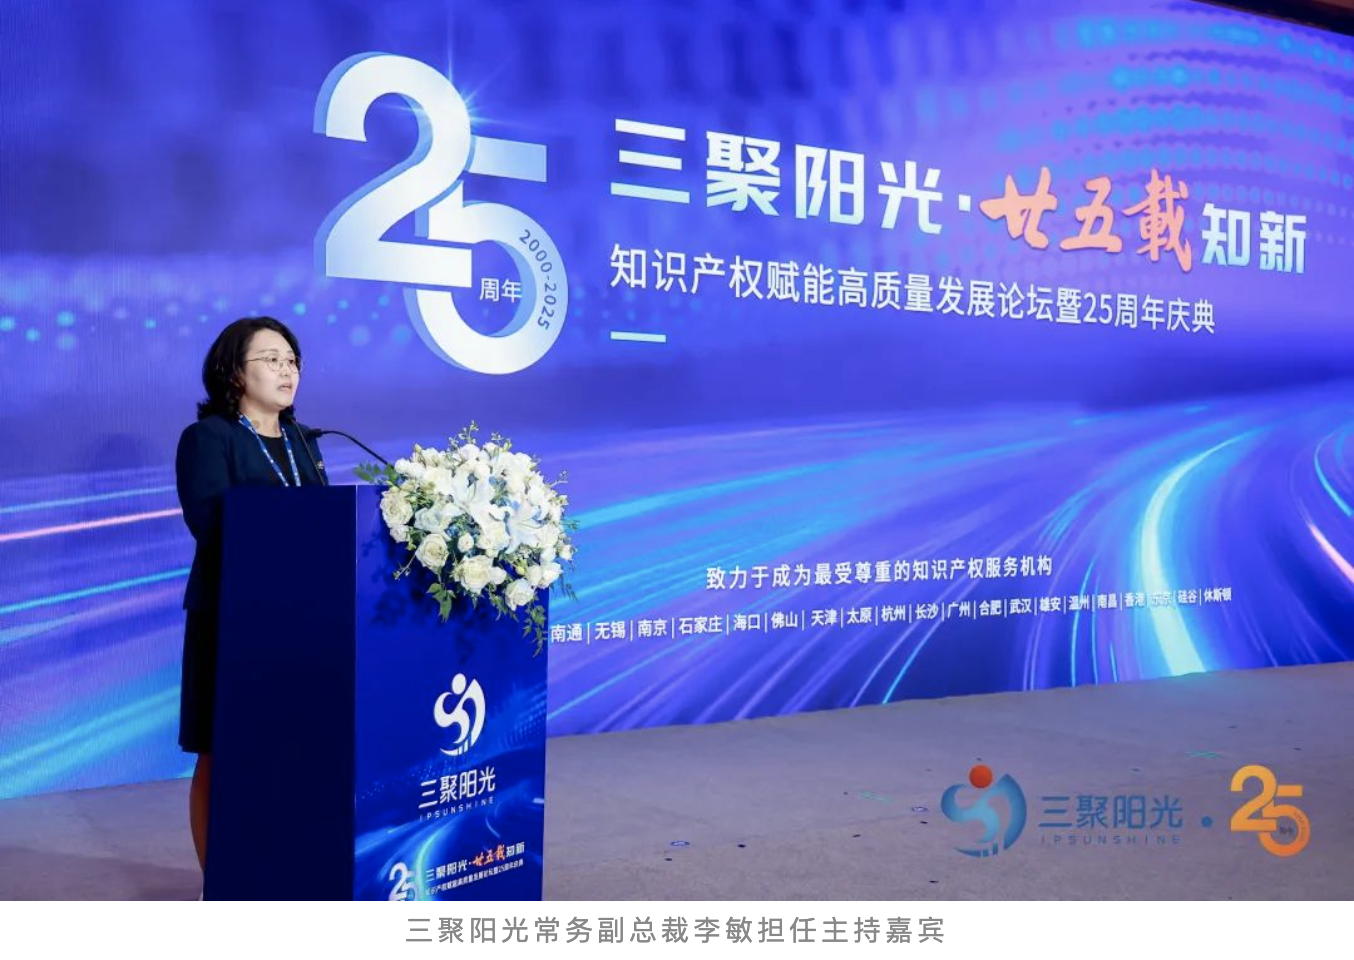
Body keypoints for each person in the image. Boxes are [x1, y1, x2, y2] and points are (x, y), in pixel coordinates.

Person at [175, 316, 326, 876]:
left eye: (292, 361)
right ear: (234, 372)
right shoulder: (208, 439)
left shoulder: (305, 441)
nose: (287, 370)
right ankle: (218, 883)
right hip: (230, 618)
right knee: (221, 749)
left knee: (294, 747)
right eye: (271, 359)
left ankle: (284, 867)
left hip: (307, 620)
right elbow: (212, 524)